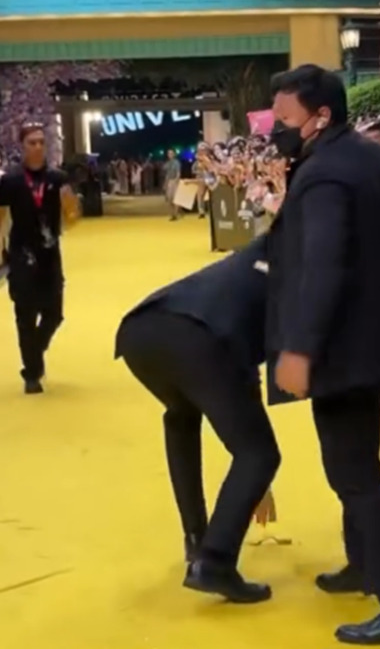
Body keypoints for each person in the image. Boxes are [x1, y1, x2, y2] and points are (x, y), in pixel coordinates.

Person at [267, 64, 380, 645]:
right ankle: (363, 564)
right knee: (357, 456)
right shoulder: (377, 158)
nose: (277, 132)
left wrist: (298, 349)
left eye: (285, 121)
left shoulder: (322, 178)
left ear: (321, 118)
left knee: (353, 471)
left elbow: (324, 267)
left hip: (347, 343)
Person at [114, 235, 280, 603]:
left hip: (142, 330)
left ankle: (196, 539)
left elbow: (242, 357)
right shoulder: (303, 265)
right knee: (260, 455)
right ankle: (215, 561)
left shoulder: (258, 252)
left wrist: (252, 481)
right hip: (199, 340)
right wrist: (254, 474)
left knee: (182, 415)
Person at [0, 123, 78, 394]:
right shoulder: (10, 181)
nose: (37, 147)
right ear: (22, 146)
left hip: (50, 255)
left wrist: (70, 206)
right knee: (25, 316)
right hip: (22, 255)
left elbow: (72, 218)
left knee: (54, 314)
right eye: (31, 142)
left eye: (41, 142)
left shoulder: (57, 178)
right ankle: (32, 373)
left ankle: (35, 352)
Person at [163, 149, 182, 221]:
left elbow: (178, 172)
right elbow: (166, 173)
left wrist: (176, 181)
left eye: (171, 153)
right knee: (169, 198)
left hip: (174, 180)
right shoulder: (167, 163)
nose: (170, 155)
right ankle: (172, 213)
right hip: (169, 181)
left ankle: (175, 214)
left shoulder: (176, 163)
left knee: (175, 198)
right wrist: (165, 183)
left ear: (174, 154)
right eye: (169, 153)